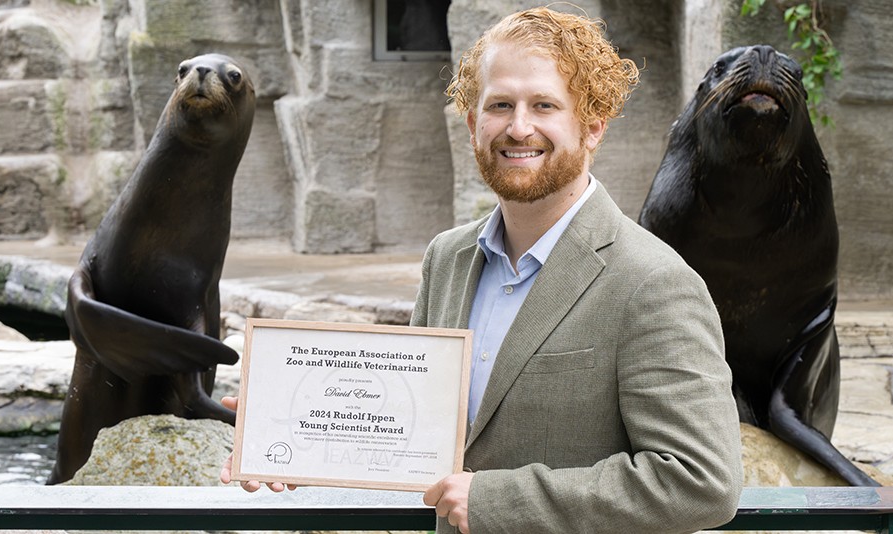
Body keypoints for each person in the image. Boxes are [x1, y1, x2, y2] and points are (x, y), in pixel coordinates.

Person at [222, 7, 742, 534]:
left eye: (544, 105)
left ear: (591, 127)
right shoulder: (447, 259)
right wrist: (294, 434)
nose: (519, 127)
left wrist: (499, 500)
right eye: (499, 105)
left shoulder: (653, 282)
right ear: (473, 124)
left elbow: (702, 481)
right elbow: (416, 436)